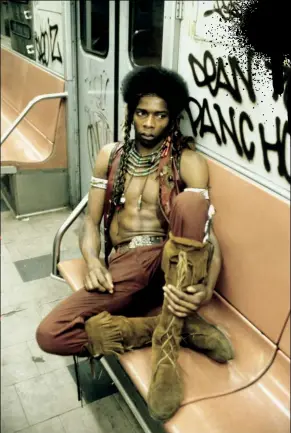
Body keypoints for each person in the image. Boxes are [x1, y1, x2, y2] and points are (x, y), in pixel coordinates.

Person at [36, 66, 234, 421]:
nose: (149, 123)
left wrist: (206, 291)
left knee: (190, 205)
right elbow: (90, 223)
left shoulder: (188, 163)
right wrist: (93, 261)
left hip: (171, 266)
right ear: (130, 113)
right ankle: (173, 328)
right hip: (125, 268)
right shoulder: (109, 157)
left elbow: (207, 235)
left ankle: (167, 353)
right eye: (143, 113)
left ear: (171, 119)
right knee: (51, 335)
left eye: (160, 115)